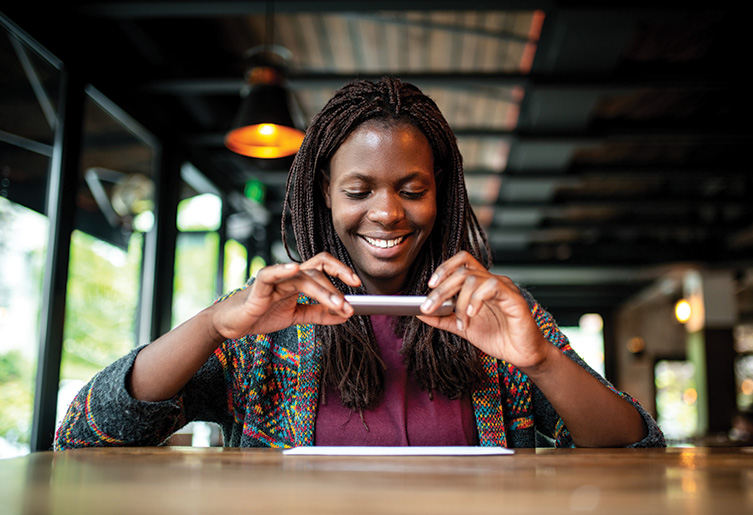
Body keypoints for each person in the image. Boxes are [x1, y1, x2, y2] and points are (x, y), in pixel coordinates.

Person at [55, 77, 664, 450]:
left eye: (412, 189)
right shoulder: (269, 318)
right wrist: (215, 325)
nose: (387, 213)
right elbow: (87, 432)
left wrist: (540, 359)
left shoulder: (494, 313)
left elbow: (638, 447)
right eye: (358, 191)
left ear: (441, 192)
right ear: (324, 191)